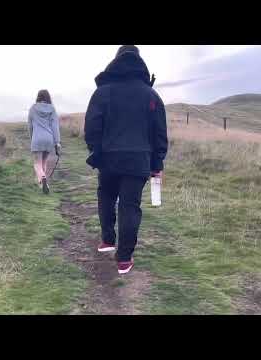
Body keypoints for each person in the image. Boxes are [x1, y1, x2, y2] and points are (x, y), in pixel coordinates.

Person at [84, 45, 168, 274]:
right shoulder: (151, 96)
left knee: (106, 195)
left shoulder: (103, 92)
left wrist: (96, 150)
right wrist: (157, 164)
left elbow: (91, 128)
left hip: (109, 159)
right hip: (139, 160)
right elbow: (159, 133)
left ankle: (108, 241)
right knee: (130, 206)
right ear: (140, 62)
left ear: (116, 61)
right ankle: (124, 259)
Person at [28, 89, 61, 194]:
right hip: (49, 139)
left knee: (37, 163)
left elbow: (30, 126)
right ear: (48, 97)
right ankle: (43, 183)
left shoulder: (33, 109)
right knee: (44, 162)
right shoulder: (52, 109)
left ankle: (42, 179)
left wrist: (31, 138)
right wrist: (57, 142)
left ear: (38, 97)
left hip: (37, 138)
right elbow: (55, 126)